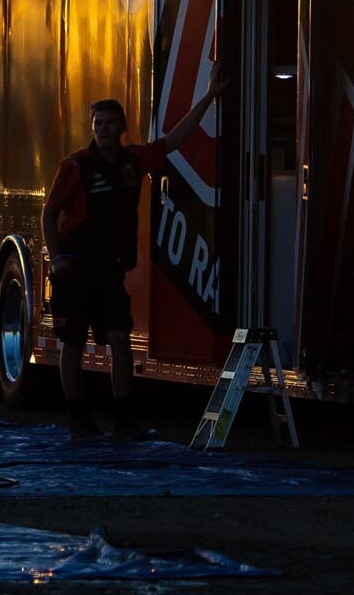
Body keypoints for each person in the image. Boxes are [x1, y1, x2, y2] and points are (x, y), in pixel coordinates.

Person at [41, 71, 224, 438]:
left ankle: (122, 419)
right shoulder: (75, 165)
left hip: (110, 271)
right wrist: (56, 257)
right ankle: (78, 419)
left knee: (121, 341)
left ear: (122, 127)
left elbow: (172, 142)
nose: (104, 130)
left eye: (110, 124)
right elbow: (48, 212)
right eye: (98, 124)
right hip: (75, 270)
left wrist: (207, 98)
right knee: (72, 343)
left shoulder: (133, 161)